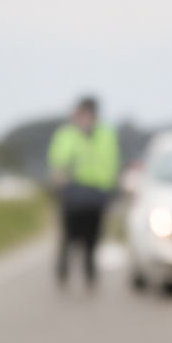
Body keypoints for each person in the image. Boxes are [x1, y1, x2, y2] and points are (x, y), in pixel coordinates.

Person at [46, 97, 119, 286]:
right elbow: (58, 160)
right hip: (74, 191)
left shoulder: (106, 134)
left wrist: (110, 189)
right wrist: (59, 178)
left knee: (93, 237)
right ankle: (63, 267)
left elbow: (111, 162)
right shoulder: (67, 134)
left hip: (97, 192)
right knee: (69, 235)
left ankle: (90, 270)